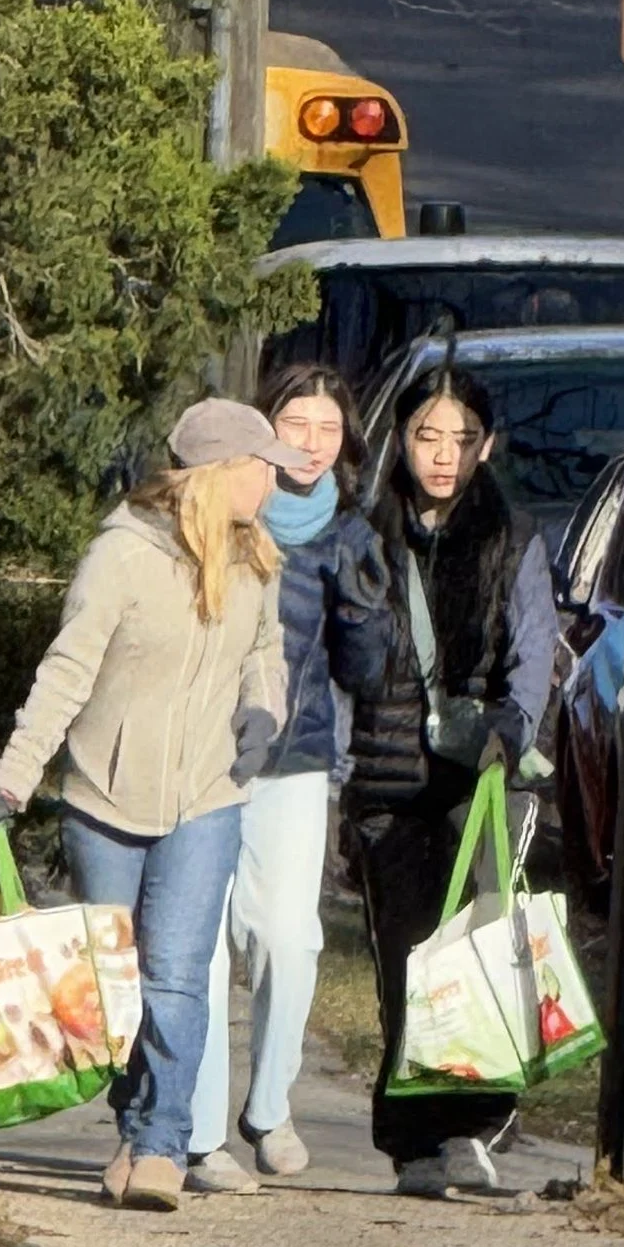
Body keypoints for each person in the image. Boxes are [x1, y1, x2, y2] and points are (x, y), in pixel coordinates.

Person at [0, 398, 286, 1213]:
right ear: (218, 472)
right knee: (119, 984)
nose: (276, 479)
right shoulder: (121, 556)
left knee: (179, 975)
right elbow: (66, 671)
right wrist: (11, 779)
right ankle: (134, 1120)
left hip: (208, 796)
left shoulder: (256, 558)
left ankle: (161, 1144)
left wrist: (263, 712)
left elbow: (264, 651)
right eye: (263, 464)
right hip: (106, 796)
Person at [331, 360, 563, 1199]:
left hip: (482, 779)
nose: (444, 453)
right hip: (389, 778)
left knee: (478, 951)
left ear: (487, 446)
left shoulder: (515, 536)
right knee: (406, 958)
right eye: (429, 435)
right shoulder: (367, 535)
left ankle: (472, 1126)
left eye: (462, 438)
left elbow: (534, 650)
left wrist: (512, 729)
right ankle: (411, 1141)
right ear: (402, 439)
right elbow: (346, 664)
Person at [185, 361, 378, 1192]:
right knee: (196, 944)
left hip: (296, 757)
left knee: (286, 936)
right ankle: (196, 1135)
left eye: (328, 428)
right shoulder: (218, 515)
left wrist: (362, 610)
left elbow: (366, 673)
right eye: (295, 422)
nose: (309, 441)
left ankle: (270, 1105)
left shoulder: (351, 533)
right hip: (199, 755)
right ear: (263, 430)